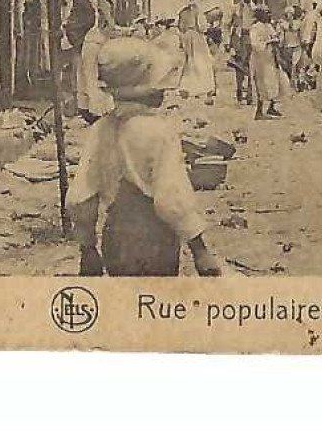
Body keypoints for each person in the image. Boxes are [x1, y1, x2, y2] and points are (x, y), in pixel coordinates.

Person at [71, 35, 226, 277]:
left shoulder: (100, 129)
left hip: (115, 239)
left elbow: (82, 195)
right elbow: (171, 198)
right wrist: (200, 250)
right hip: (154, 240)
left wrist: (87, 247)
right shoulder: (160, 132)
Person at [177, 0, 218, 100]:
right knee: (202, 61)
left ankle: (187, 87)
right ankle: (203, 87)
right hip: (196, 37)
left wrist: (184, 35)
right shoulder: (198, 10)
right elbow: (202, 27)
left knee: (189, 61)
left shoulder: (182, 11)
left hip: (187, 37)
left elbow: (180, 27)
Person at [248, 5, 284, 119]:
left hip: (270, 58)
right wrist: (268, 42)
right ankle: (259, 111)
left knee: (274, 82)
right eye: (266, 13)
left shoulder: (268, 26)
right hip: (260, 60)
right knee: (261, 84)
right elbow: (255, 44)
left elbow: (275, 37)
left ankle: (271, 107)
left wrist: (276, 40)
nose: (269, 15)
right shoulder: (255, 28)